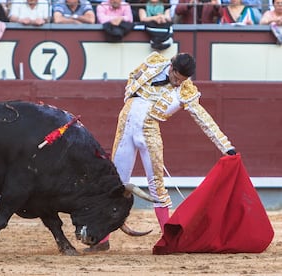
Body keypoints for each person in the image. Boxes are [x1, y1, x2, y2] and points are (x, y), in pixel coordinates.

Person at [85, 51, 236, 252]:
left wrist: (226, 146)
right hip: (126, 124)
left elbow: (204, 119)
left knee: (156, 185)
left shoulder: (186, 90)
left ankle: (169, 240)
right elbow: (133, 75)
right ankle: (103, 240)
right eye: (175, 78)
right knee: (116, 183)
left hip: (148, 132)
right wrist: (130, 99)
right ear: (171, 67)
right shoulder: (154, 62)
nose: (177, 83)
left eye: (182, 81)